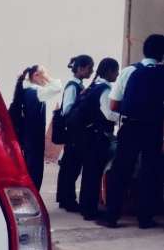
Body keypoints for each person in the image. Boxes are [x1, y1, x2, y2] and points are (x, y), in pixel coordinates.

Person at [99, 33, 164, 229]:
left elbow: (113, 104)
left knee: (121, 171)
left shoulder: (128, 71)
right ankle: (145, 218)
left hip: (130, 127)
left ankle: (112, 215)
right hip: (153, 129)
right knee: (150, 171)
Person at [76, 58, 120, 220]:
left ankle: (85, 207)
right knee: (93, 174)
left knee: (89, 173)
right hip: (97, 138)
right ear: (109, 71)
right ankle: (90, 210)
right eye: (116, 71)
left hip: (88, 136)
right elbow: (108, 114)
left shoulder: (93, 86)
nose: (117, 74)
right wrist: (124, 117)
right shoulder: (105, 89)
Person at [9, 65, 62, 190]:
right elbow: (57, 87)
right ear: (36, 75)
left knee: (29, 169)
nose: (46, 76)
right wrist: (47, 77)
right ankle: (33, 197)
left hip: (28, 137)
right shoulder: (36, 92)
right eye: (44, 73)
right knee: (35, 172)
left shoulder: (26, 90)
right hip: (34, 138)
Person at [56, 54, 94, 211]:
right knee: (71, 167)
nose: (91, 71)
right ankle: (68, 200)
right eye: (89, 68)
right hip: (74, 133)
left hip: (76, 132)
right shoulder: (73, 86)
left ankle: (65, 198)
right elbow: (67, 110)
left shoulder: (79, 85)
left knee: (70, 166)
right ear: (80, 68)